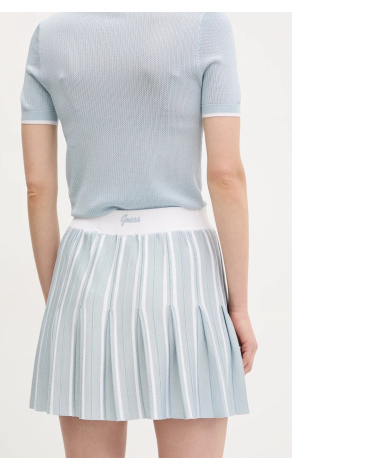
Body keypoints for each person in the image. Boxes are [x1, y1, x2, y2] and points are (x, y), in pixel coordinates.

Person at [20, 12, 257, 458]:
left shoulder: (49, 36)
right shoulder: (204, 26)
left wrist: (63, 304)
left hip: (84, 271)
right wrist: (239, 307)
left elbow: (37, 188)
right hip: (184, 273)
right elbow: (226, 176)